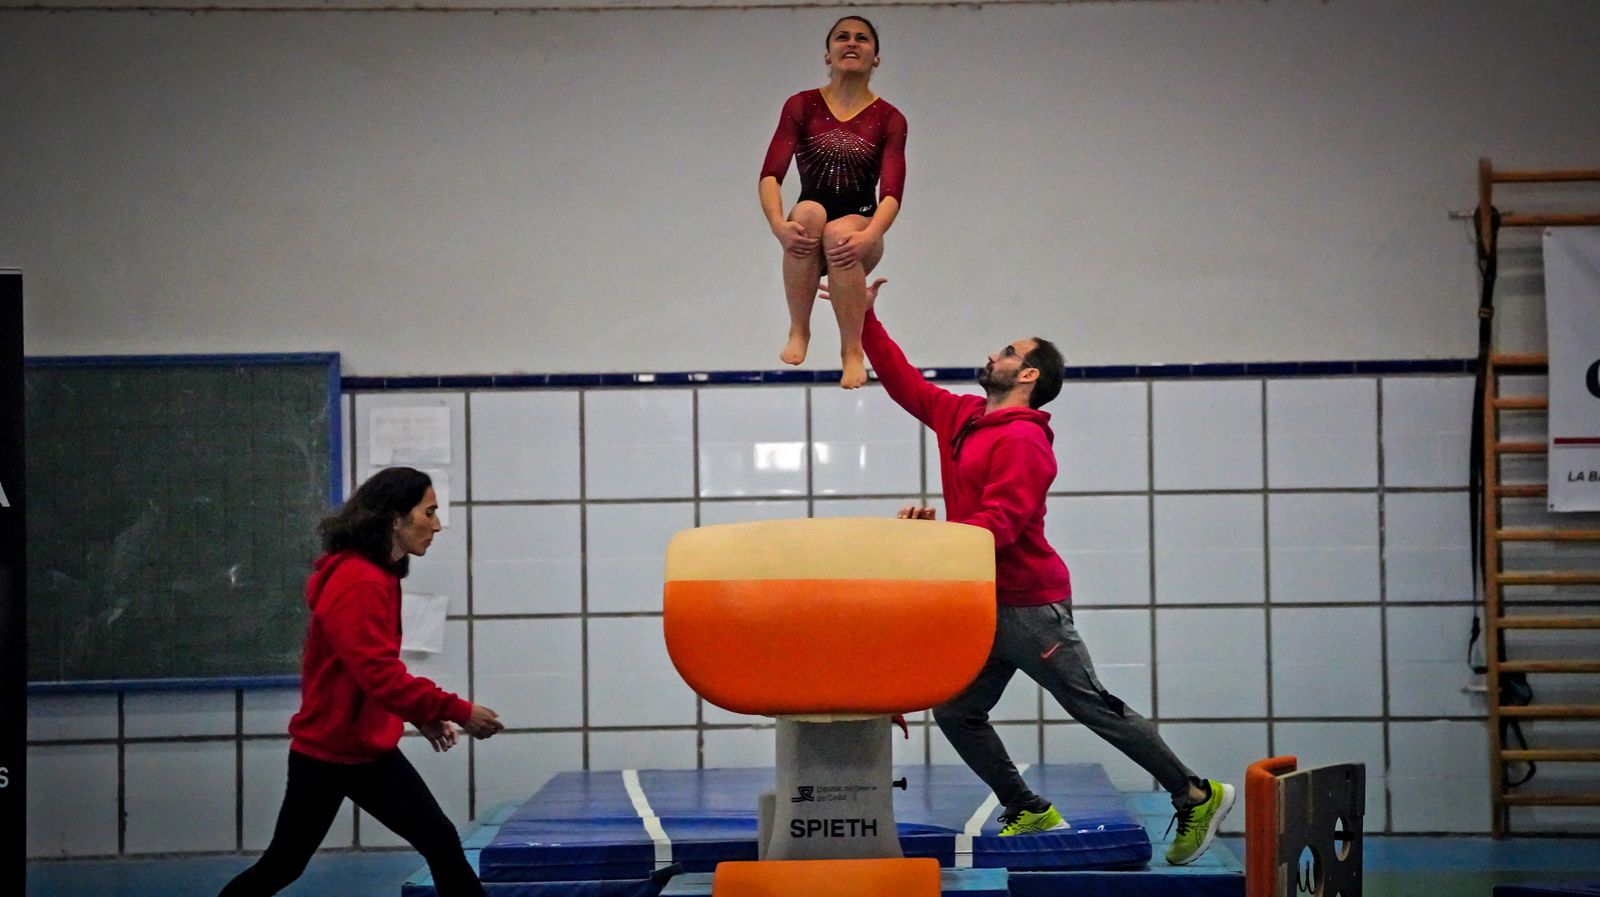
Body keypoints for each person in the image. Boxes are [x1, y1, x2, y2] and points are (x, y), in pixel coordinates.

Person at [846, 278, 1235, 865]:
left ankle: (1196, 792)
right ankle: (1026, 806)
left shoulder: (1026, 442)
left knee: (1091, 706)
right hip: (983, 603)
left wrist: (937, 537)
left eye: (1006, 352)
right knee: (956, 710)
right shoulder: (964, 418)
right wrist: (864, 319)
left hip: (1030, 606)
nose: (992, 356)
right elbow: (905, 383)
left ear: (1028, 375)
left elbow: (1000, 526)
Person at [220, 467, 504, 897]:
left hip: (362, 749)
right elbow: (379, 675)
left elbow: (370, 672)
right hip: (329, 754)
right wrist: (456, 710)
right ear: (396, 518)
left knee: (440, 841)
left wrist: (419, 715)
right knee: (283, 865)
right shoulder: (360, 582)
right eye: (429, 512)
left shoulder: (377, 575)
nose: (437, 524)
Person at [759, 14, 907, 389]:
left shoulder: (890, 118)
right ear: (828, 55)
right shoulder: (802, 105)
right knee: (807, 213)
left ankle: (851, 352)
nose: (852, 42)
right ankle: (799, 329)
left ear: (876, 58)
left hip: (859, 223)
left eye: (862, 38)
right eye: (842, 37)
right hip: (808, 227)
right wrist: (778, 226)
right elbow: (770, 175)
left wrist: (871, 234)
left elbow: (891, 193)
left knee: (840, 232)